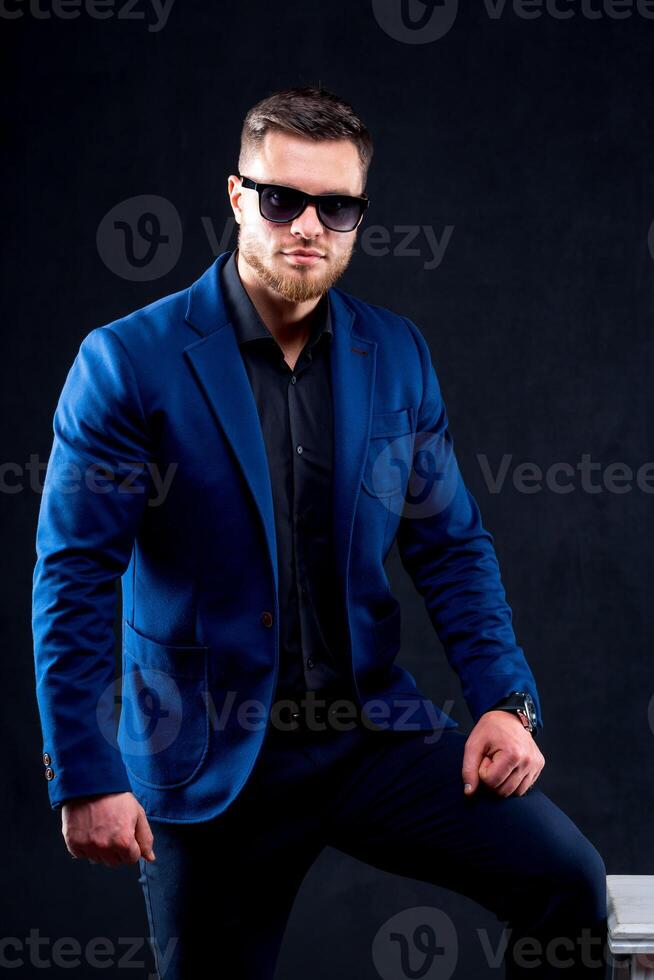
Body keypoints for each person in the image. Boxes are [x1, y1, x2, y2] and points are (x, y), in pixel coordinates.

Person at [32, 86, 608, 978]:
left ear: (358, 216)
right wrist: (87, 771)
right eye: (281, 199)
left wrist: (505, 700)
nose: (307, 224)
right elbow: (73, 577)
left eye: (335, 206)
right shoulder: (126, 364)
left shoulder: (399, 354)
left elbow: (450, 546)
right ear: (235, 198)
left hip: (367, 734)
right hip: (208, 749)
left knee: (568, 883)